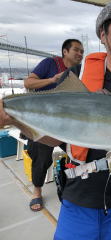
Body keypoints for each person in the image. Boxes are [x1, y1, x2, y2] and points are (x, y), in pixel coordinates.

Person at [0, 0, 111, 239]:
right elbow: (56, 138)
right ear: (103, 35)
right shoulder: (77, 76)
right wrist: (12, 120)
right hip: (78, 201)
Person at [24, 39, 84, 212]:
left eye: (82, 51)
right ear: (65, 51)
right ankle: (36, 192)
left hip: (70, 124)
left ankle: (76, 187)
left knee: (81, 154)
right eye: (76, 50)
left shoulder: (81, 71)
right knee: (41, 158)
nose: (80, 54)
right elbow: (28, 83)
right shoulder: (49, 63)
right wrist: (52, 79)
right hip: (44, 123)